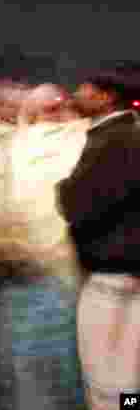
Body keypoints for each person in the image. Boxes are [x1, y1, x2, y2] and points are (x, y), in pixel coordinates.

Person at [0, 82, 87, 410]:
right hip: (43, 281)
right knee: (42, 380)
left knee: (40, 379)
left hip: (48, 281)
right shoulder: (11, 147)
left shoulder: (5, 146)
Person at [57, 65, 140, 410]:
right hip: (129, 273)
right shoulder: (130, 132)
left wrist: (61, 189)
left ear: (105, 97)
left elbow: (78, 202)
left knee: (109, 381)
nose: (77, 93)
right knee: (130, 376)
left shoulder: (112, 138)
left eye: (85, 87)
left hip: (112, 275)